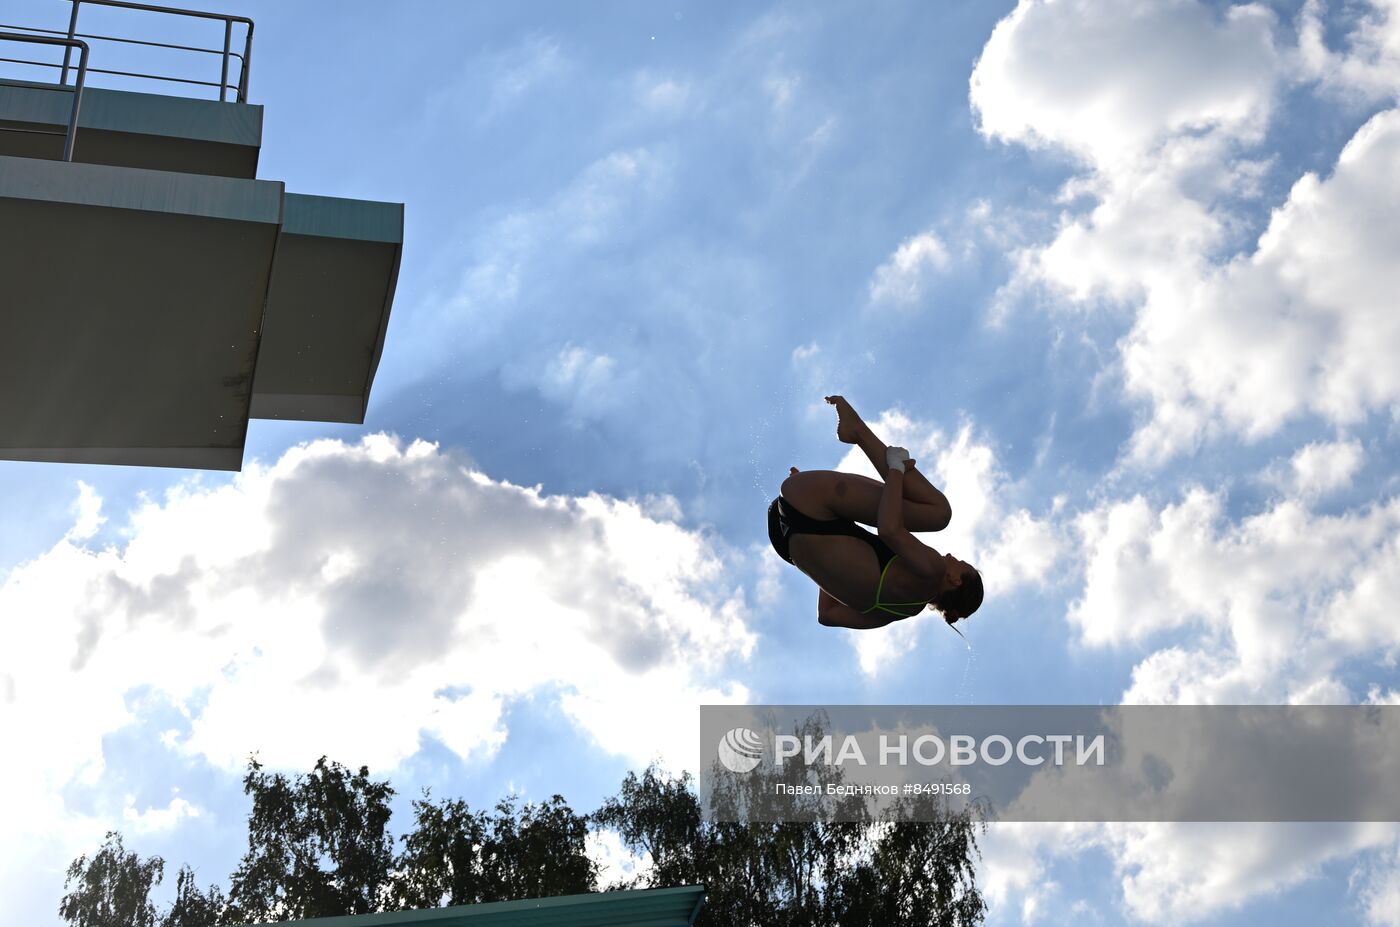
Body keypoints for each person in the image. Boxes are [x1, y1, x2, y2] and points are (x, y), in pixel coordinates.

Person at [768, 395, 983, 630]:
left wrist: (896, 469)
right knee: (866, 530)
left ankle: (858, 432)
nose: (951, 556)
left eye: (959, 562)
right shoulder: (896, 614)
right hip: (784, 537)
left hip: (806, 503)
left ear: (955, 580)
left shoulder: (934, 570)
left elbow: (890, 530)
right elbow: (828, 614)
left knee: (939, 513)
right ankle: (819, 498)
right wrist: (815, 527)